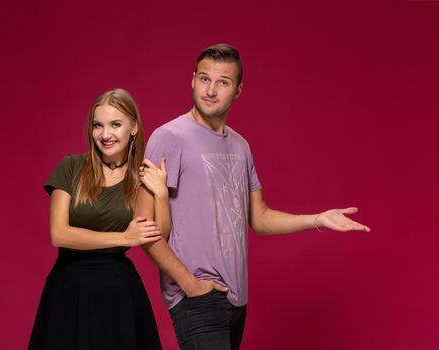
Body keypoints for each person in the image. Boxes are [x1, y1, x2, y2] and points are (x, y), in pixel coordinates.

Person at [135, 44, 371, 350]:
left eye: (223, 82)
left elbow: (258, 218)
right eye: (204, 79)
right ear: (192, 79)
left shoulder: (240, 146)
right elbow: (143, 226)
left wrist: (317, 219)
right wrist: (189, 284)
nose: (210, 90)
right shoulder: (169, 137)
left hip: (235, 300)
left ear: (238, 90)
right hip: (197, 299)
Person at [29, 88, 168, 350]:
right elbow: (59, 234)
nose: (105, 135)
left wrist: (160, 195)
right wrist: (123, 237)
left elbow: (159, 235)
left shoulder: (142, 177)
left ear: (134, 127)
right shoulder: (71, 167)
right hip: (68, 288)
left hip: (119, 293)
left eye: (115, 124)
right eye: (98, 125)